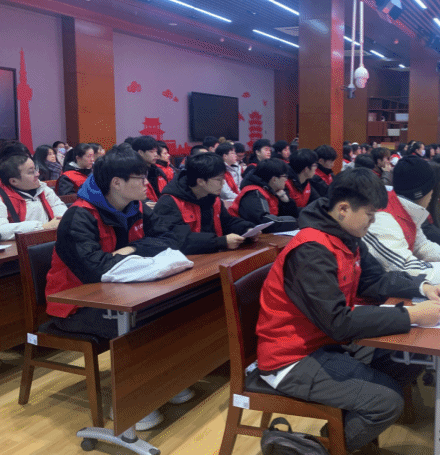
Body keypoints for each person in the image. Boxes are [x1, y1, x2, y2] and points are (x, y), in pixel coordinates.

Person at [256, 168, 440, 452]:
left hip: (326, 343)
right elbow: (339, 323)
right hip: (292, 358)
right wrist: (411, 315)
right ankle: (317, 448)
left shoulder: (346, 235)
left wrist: (422, 287)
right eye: (369, 215)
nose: (372, 223)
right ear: (344, 209)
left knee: (409, 357)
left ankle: (335, 437)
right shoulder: (311, 250)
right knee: (387, 402)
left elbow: (374, 280)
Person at [44, 145, 190, 430]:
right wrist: (139, 252)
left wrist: (132, 248)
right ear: (117, 183)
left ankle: (166, 381)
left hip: (124, 294)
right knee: (141, 323)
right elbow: (94, 270)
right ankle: (129, 402)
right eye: (140, 178)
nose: (147, 183)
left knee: (173, 310)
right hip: (76, 306)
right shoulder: (80, 216)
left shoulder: (136, 207)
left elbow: (170, 239)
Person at [363, 156, 440, 285]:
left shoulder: (405, 207)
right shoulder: (383, 218)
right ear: (424, 191)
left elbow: (421, 245)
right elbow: (404, 267)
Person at [151, 153, 255, 255]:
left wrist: (247, 229)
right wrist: (220, 242)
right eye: (218, 179)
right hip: (188, 261)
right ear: (200, 181)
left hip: (214, 256)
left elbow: (227, 222)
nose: (223, 183)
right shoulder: (169, 202)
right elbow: (178, 240)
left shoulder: (212, 198)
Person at [0, 154, 66, 240]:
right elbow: (2, 230)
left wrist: (60, 219)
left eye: (35, 169)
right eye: (31, 172)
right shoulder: (2, 196)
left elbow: (58, 205)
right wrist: (42, 227)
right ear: (14, 181)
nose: (37, 174)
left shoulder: (42, 188)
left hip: (50, 239)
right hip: (23, 244)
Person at [229, 158, 299, 232]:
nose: (286, 180)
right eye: (285, 176)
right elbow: (263, 222)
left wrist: (287, 202)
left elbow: (283, 215)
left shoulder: (271, 190)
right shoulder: (253, 193)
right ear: (274, 179)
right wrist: (296, 222)